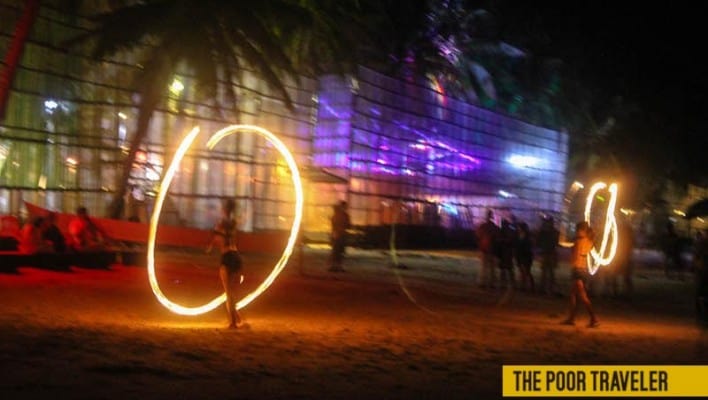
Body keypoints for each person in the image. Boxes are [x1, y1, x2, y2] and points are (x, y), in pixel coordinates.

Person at [207, 198, 245, 329]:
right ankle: (238, 318)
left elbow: (215, 238)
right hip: (236, 256)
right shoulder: (234, 223)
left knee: (228, 292)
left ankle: (233, 322)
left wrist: (210, 246)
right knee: (230, 291)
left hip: (227, 257)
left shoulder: (221, 224)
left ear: (224, 210)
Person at [562, 221, 599, 328]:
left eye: (578, 230)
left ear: (582, 230)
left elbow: (574, 255)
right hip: (582, 270)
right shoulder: (589, 241)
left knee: (582, 296)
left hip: (578, 270)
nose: (576, 231)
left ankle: (594, 319)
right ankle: (571, 318)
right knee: (574, 295)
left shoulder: (579, 241)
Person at [537, 216, 560, 295]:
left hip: (550, 253)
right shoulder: (547, 232)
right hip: (548, 253)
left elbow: (553, 242)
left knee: (549, 272)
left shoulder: (550, 232)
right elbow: (539, 242)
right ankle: (545, 288)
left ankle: (548, 288)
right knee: (546, 272)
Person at [476, 209, 499, 288]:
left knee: (483, 267)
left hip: (484, 249)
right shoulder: (494, 227)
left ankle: (482, 282)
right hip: (491, 250)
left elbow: (478, 236)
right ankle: (491, 283)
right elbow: (497, 238)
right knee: (492, 268)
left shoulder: (482, 226)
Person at [329, 201, 351, 272]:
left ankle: (334, 266)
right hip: (341, 235)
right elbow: (348, 226)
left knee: (336, 251)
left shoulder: (336, 215)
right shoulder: (345, 215)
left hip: (337, 234)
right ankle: (338, 266)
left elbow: (333, 224)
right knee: (340, 251)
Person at [515, 221, 535, 292]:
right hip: (520, 256)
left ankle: (531, 286)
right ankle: (523, 286)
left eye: (519, 227)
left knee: (527, 271)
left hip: (526, 256)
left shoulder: (527, 236)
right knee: (522, 272)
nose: (518, 228)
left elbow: (529, 246)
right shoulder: (518, 235)